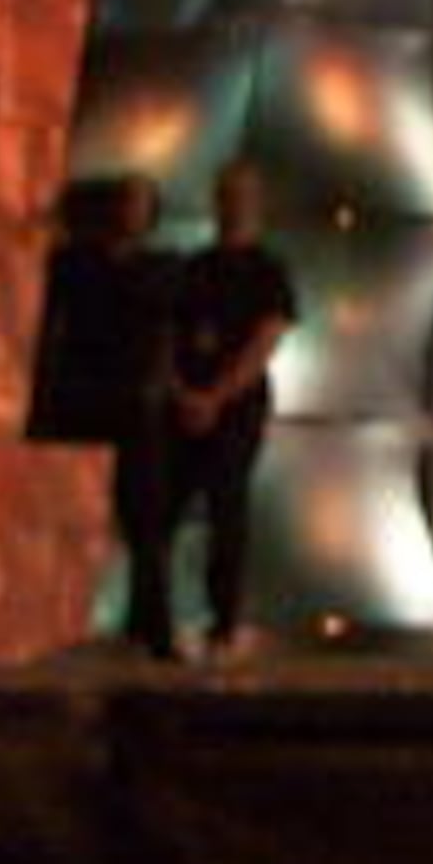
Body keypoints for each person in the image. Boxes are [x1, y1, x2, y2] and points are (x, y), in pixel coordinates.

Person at [31, 171, 179, 657]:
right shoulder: (74, 264)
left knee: (148, 522)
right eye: (123, 203)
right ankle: (54, 625)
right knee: (67, 518)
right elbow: (52, 330)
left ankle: (150, 630)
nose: (129, 214)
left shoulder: (162, 268)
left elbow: (169, 334)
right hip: (81, 399)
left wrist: (162, 388)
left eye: (138, 204)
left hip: (136, 406)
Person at [161, 161, 298, 661]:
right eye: (225, 193)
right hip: (183, 409)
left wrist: (216, 397)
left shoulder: (269, 271)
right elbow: (168, 335)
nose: (232, 203)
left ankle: (223, 627)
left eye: (241, 194)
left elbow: (267, 339)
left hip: (236, 411)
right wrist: (180, 392)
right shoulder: (193, 268)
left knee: (227, 512)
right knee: (162, 514)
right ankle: (158, 627)